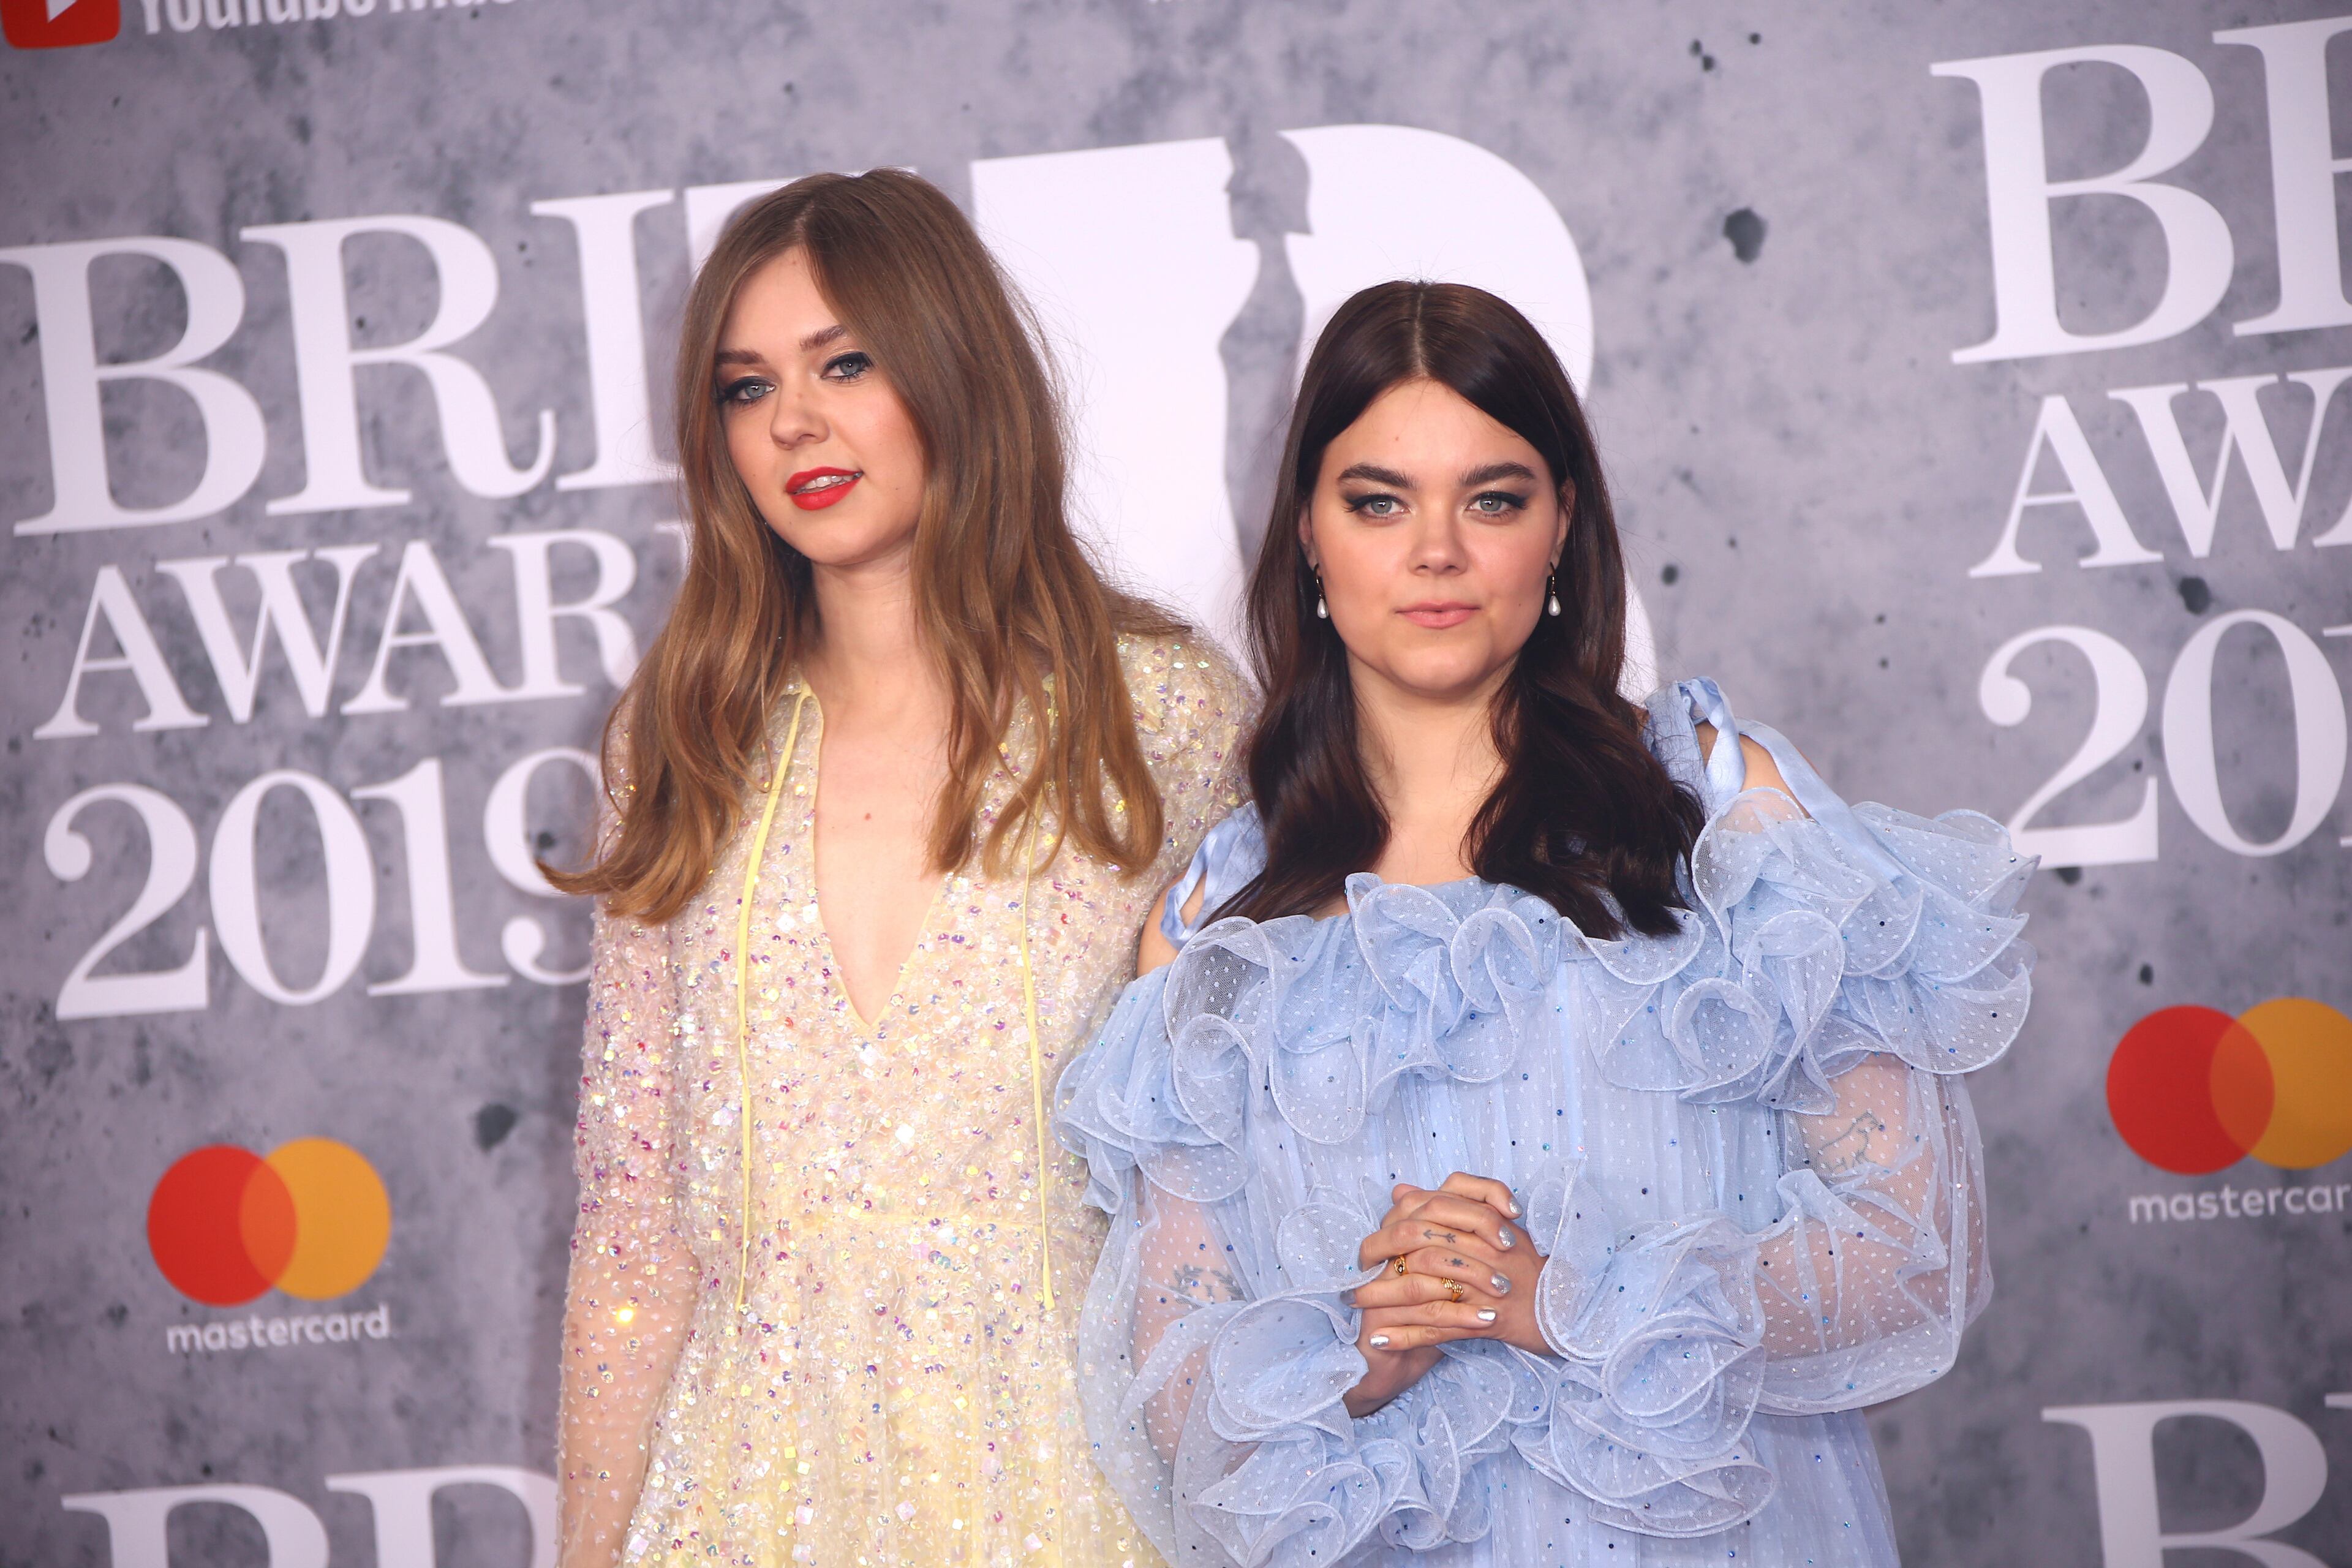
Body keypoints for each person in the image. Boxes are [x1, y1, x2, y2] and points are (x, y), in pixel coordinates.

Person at [1056, 281, 2034, 1566]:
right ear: (1307, 530)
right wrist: (1365, 1337)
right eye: (1379, 499)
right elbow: (1176, 1414)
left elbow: (1918, 1255)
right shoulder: (1217, 928)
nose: (1438, 551)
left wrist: (1569, 1295)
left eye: (1494, 497)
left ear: (1564, 523)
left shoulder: (1725, 818)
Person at [548, 169, 1248, 1568]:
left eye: (845, 362)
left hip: (1079, 1490)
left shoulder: (1157, 714)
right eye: (747, 388)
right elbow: (635, 1224)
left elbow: (1231, 1187)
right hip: (741, 1498)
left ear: (951, 370)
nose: (794, 420)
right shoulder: (680, 735)